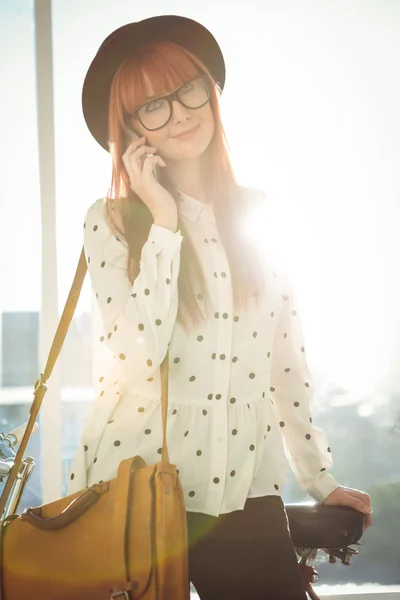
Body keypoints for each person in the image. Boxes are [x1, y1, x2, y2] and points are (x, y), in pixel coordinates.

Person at [67, 14, 372, 599]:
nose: (179, 112)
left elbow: (284, 366)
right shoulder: (109, 221)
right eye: (152, 105)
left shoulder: (259, 213)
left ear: (211, 92)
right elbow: (134, 362)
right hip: (133, 485)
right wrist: (162, 223)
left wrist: (319, 476)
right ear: (130, 131)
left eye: (188, 89)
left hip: (243, 487)